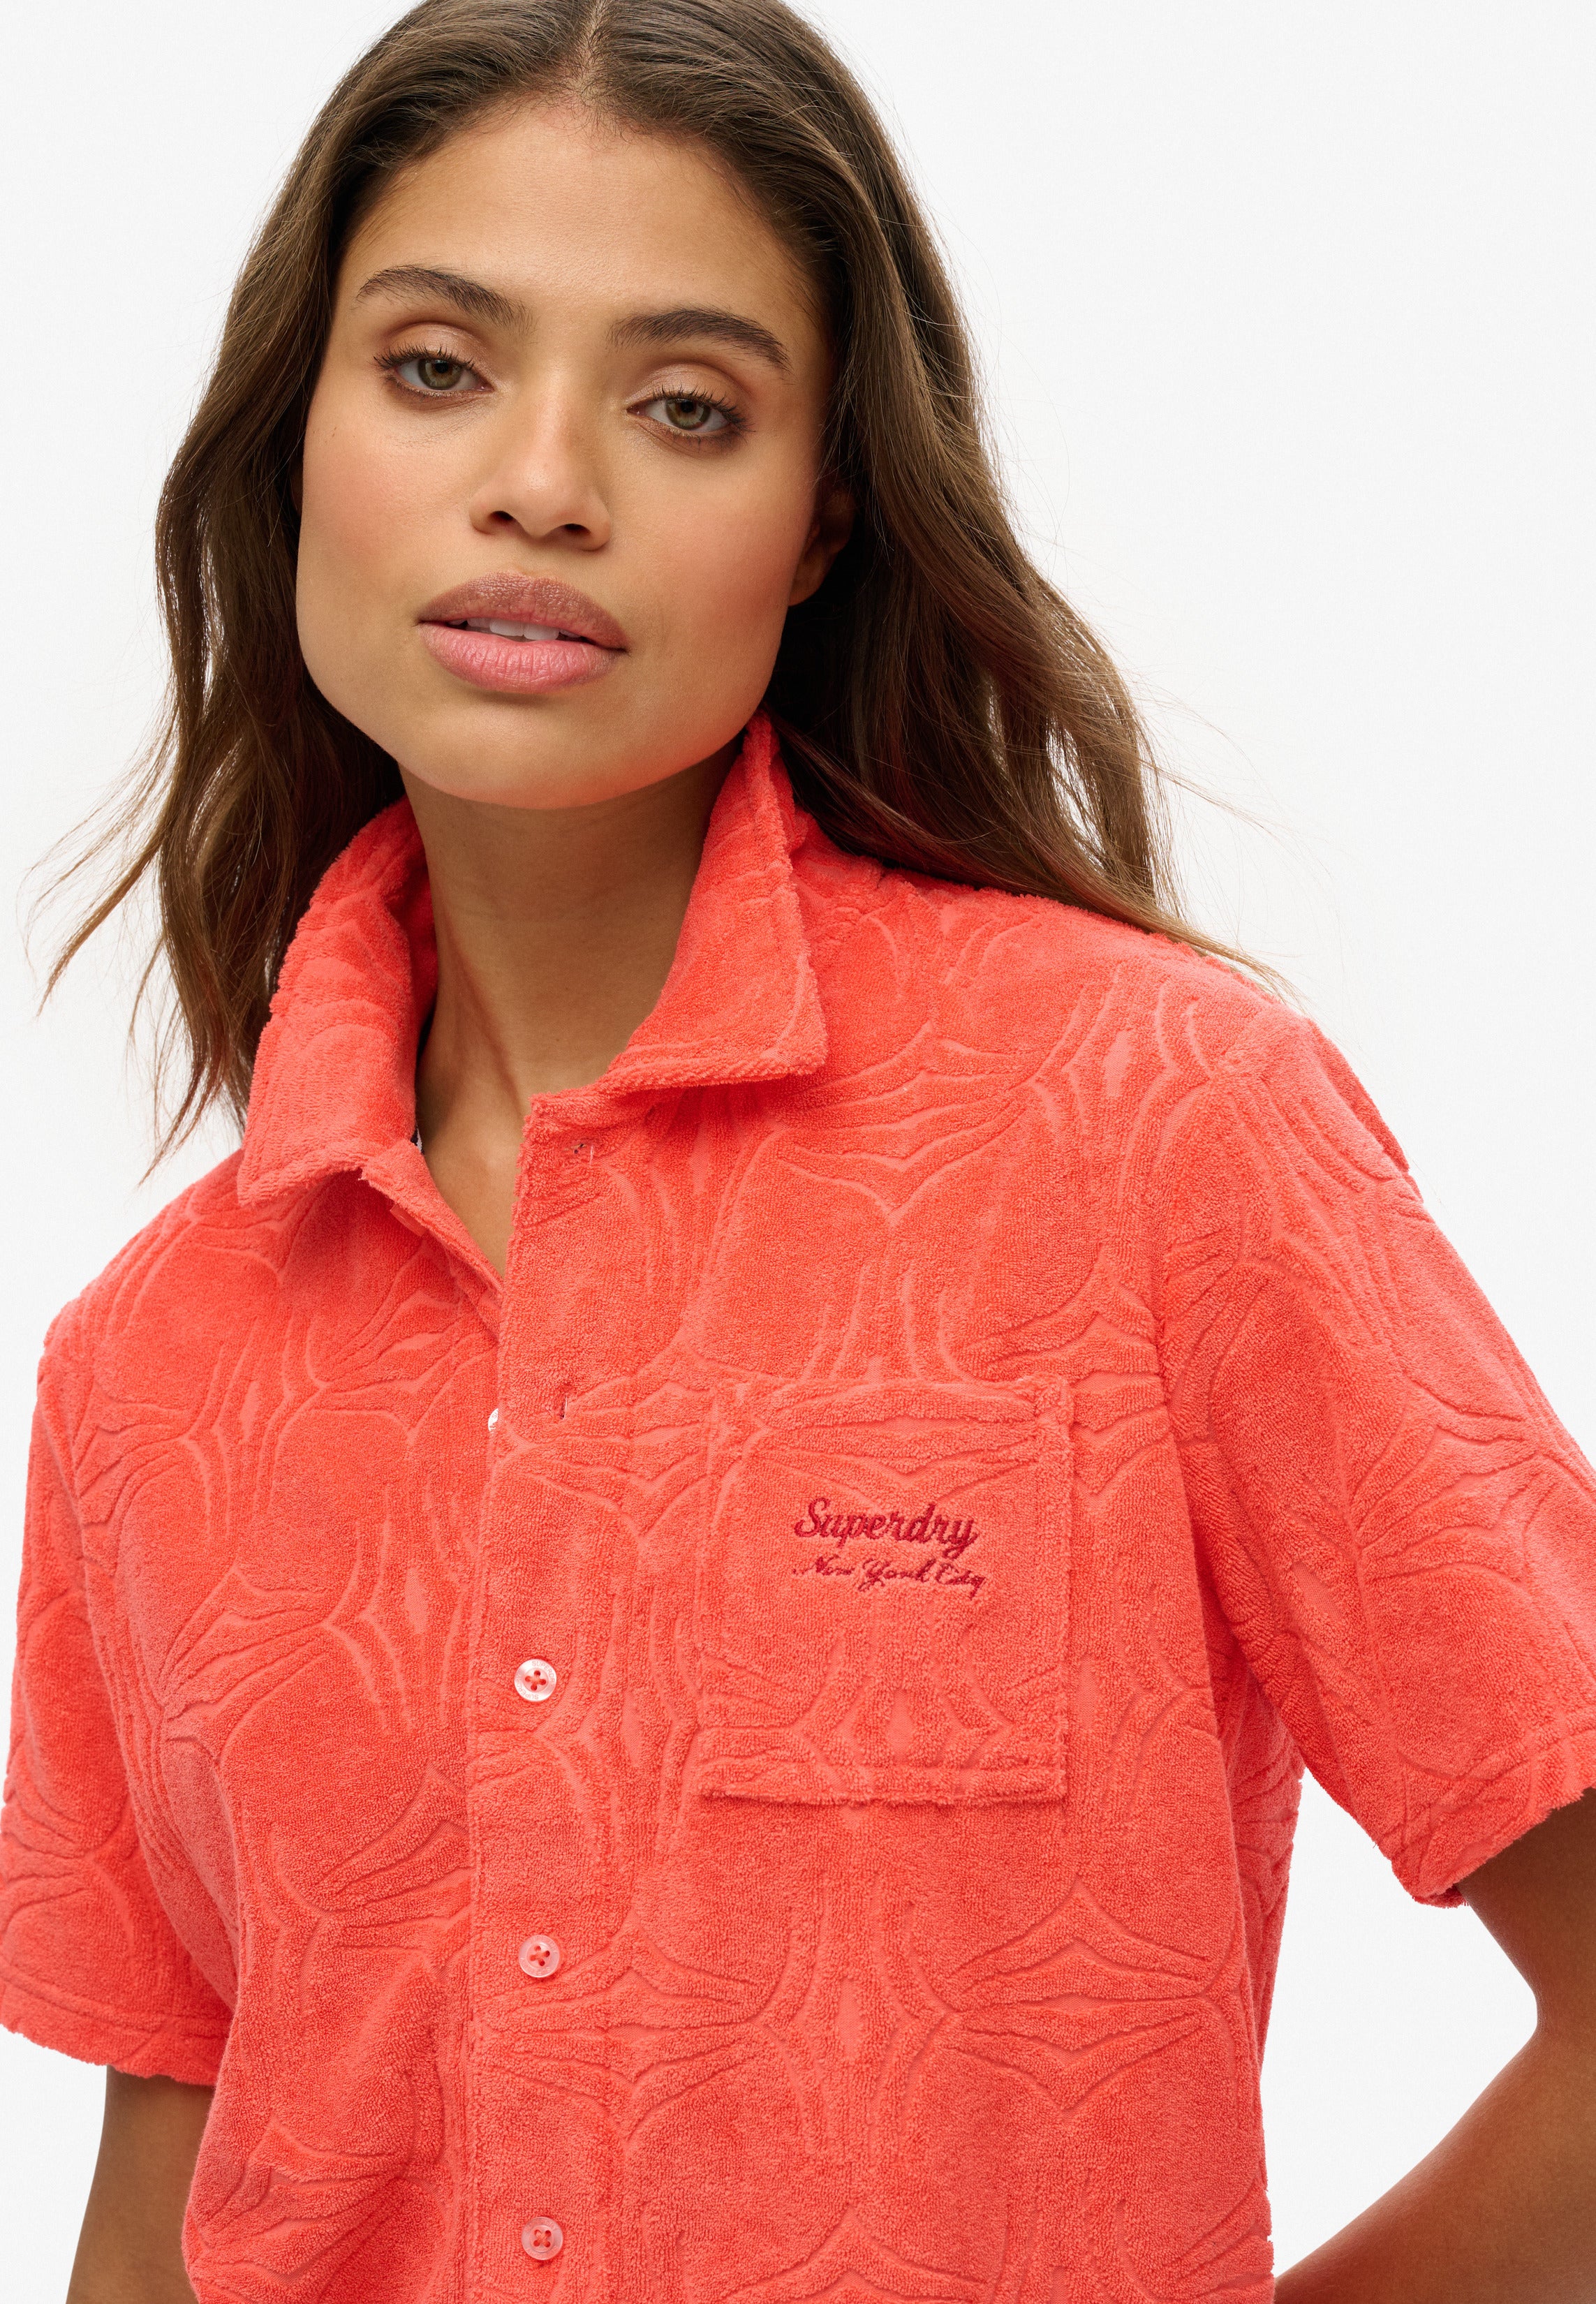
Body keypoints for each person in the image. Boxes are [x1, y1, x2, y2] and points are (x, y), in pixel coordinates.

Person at [4, 1, 1595, 2298]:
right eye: (437, 364)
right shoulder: (146, 1360)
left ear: (824, 511)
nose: (543, 480)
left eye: (684, 406)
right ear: (293, 441)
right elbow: (165, 2196)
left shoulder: (1154, 1127)